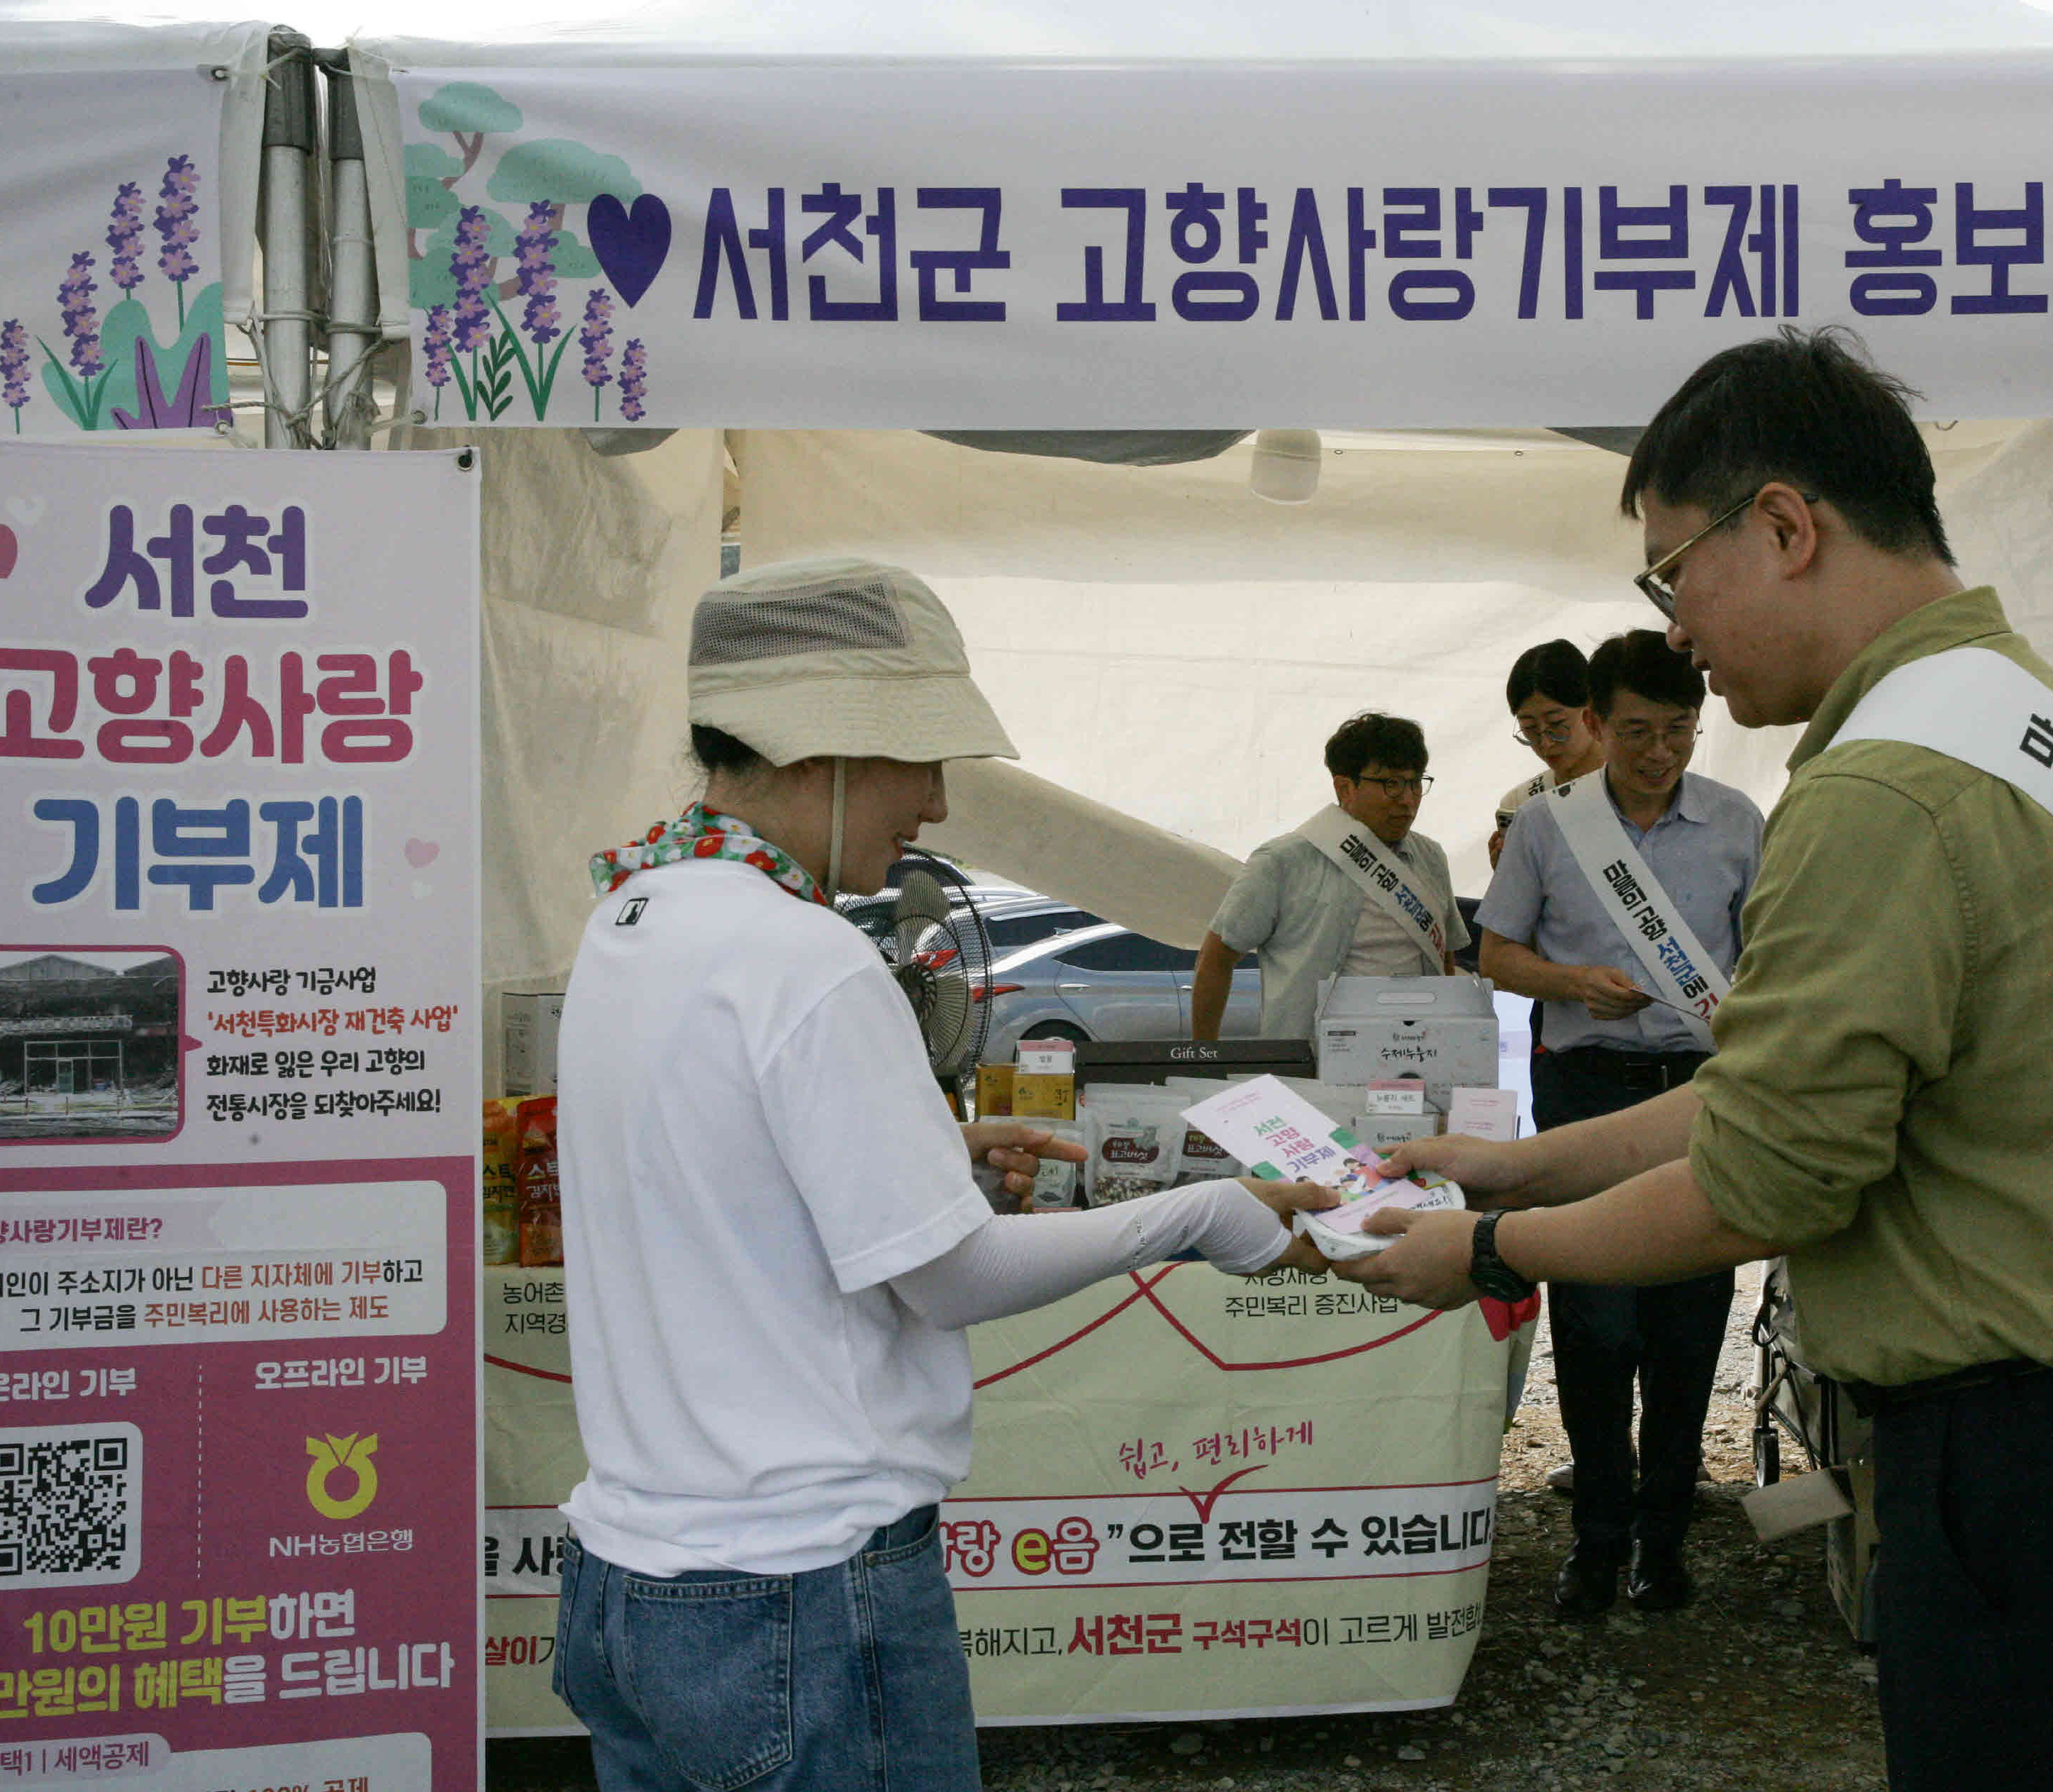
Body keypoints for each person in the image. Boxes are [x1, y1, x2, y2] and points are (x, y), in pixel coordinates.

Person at [1335, 328, 2053, 1788]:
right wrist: (1514, 1159)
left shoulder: (1884, 788)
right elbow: (1784, 1095)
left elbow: (1769, 1175)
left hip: (2046, 1458)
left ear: (1785, 525)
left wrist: (1488, 1245)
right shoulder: (2042, 724)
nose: (1673, 630)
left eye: (1674, 573)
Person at [550, 557, 1335, 1792]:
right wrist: (1202, 1213)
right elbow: (947, 1275)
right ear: (827, 743)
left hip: (628, 1586)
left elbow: (705, 1165)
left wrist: (930, 1148)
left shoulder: (634, 915)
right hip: (797, 1596)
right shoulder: (807, 958)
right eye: (920, 752)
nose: (933, 800)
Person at [1476, 629, 1761, 1616]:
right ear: (1595, 722)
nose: (1657, 752)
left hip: (1697, 1089)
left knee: (1688, 1315)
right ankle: (1594, 1539)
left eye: (1678, 729)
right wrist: (1567, 981)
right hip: (1585, 1082)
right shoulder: (1550, 824)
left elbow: (1765, 957)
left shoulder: (1735, 821)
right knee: (1594, 1320)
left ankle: (1664, 1540)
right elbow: (1494, 951)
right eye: (1636, 730)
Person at [1192, 711, 1471, 1041]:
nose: (1408, 800)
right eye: (1391, 785)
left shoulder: (1431, 858)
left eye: (1415, 783)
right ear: (1344, 787)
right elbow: (1216, 957)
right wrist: (1204, 1056)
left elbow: (1444, 955)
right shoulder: (1282, 861)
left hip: (1415, 1053)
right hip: (1312, 1065)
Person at [1490, 638, 1607, 869]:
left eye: (1557, 724)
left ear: (1591, 709)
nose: (1546, 743)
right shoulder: (1519, 803)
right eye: (1530, 729)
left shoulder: (1634, 790)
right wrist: (1507, 877)